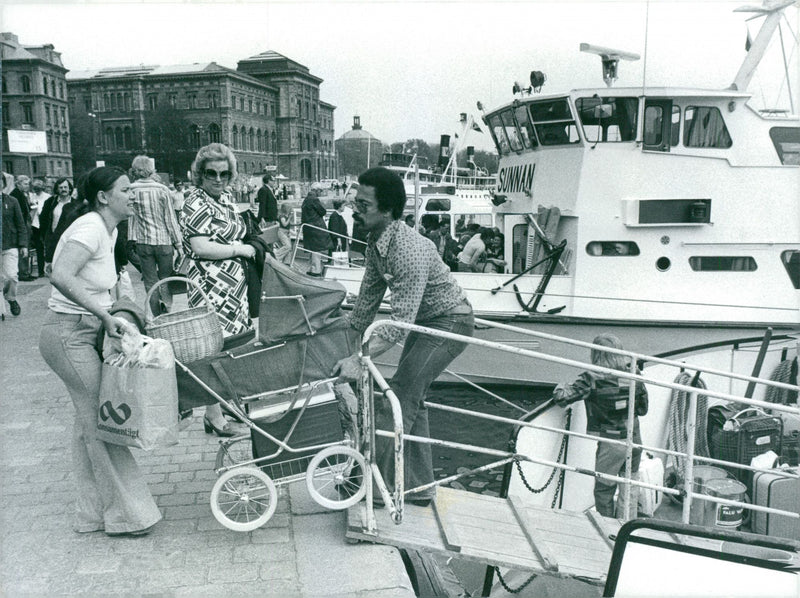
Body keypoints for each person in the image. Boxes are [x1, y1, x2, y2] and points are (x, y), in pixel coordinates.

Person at [332, 166, 474, 507]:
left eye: (363, 204)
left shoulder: (408, 249)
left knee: (397, 398)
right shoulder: (376, 242)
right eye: (355, 202)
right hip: (428, 322)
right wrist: (341, 341)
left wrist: (358, 359)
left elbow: (398, 325)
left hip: (449, 323)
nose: (355, 209)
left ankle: (371, 488)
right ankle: (420, 487)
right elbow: (366, 304)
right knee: (413, 401)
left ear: (389, 210)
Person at [38, 166, 162, 536]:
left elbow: (104, 283)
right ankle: (129, 515)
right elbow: (60, 275)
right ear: (104, 197)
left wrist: (122, 311)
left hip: (81, 331)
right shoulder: (91, 227)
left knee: (86, 425)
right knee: (104, 421)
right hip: (67, 333)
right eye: (126, 190)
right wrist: (105, 316)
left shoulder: (109, 229)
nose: (134, 195)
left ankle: (91, 513)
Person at [180, 143, 252, 437]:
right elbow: (199, 247)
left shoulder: (226, 199)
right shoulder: (195, 201)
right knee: (212, 350)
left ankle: (223, 404)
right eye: (211, 173)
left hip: (233, 285)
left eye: (224, 173)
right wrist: (238, 249)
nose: (218, 179)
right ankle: (212, 415)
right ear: (200, 174)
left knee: (231, 347)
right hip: (210, 285)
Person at [551, 334, 649, 518]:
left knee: (604, 490)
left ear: (596, 354)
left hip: (611, 443)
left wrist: (560, 384)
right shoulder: (634, 374)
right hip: (634, 438)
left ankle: (607, 529)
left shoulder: (591, 378)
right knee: (630, 486)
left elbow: (562, 398)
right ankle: (627, 524)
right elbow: (643, 409)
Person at [128, 155, 183, 316]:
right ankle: (167, 312)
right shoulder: (162, 189)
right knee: (165, 280)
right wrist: (178, 244)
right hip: (164, 241)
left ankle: (157, 316)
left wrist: (131, 238)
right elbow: (170, 219)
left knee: (150, 282)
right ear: (150, 170)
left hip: (143, 242)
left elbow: (131, 218)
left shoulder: (131, 189)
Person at [2, 174, 28, 316]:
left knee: (11, 276)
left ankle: (11, 298)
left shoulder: (12, 201)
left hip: (9, 244)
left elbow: (20, 224)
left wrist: (23, 244)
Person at [40, 178, 76, 275]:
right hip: (53, 237)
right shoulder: (50, 202)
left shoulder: (76, 204)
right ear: (57, 189)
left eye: (65, 187)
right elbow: (43, 219)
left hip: (70, 238)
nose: (63, 189)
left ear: (70, 189)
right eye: (60, 187)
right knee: (54, 264)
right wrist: (44, 236)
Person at [300, 188, 332, 276]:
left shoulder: (306, 199)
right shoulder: (314, 199)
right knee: (317, 249)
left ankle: (312, 268)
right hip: (315, 228)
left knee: (312, 249)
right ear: (317, 190)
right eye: (320, 190)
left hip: (308, 228)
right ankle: (316, 271)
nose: (321, 192)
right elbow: (322, 211)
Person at [10, 175, 34, 281]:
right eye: (25, 184)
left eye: (28, 184)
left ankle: (25, 271)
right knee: (23, 248)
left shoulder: (21, 194)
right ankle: (23, 272)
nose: (27, 186)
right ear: (18, 184)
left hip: (25, 223)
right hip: (22, 225)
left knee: (26, 248)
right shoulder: (15, 195)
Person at [29, 178, 49, 278]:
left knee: (47, 246)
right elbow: (32, 210)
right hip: (35, 224)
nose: (37, 190)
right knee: (39, 248)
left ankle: (48, 268)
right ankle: (41, 271)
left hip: (45, 224)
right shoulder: (32, 197)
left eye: (38, 189)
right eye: (35, 189)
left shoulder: (48, 197)